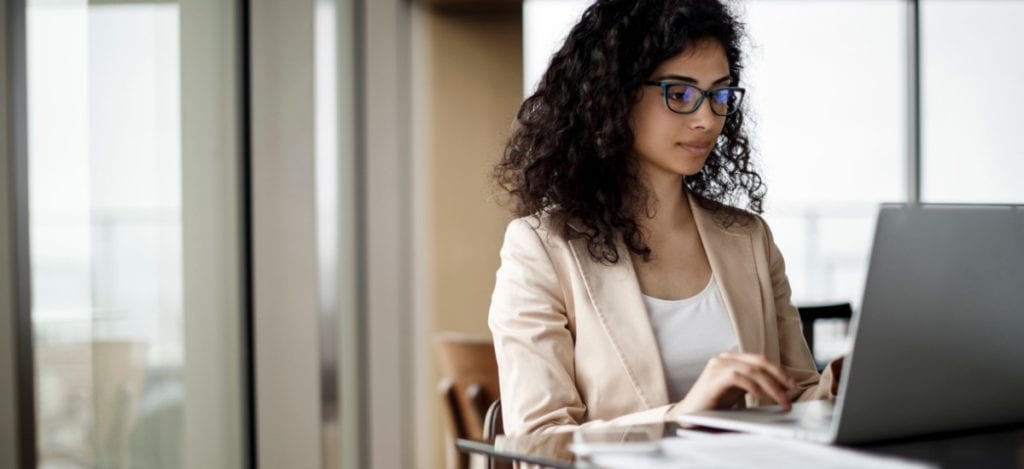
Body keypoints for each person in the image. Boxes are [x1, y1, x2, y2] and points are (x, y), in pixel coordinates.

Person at [489, 0, 841, 437]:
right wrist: (682, 415)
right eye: (681, 93)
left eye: (720, 94)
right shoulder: (540, 248)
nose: (707, 119)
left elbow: (798, 396)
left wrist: (842, 383)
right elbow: (540, 444)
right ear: (612, 96)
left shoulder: (750, 239)